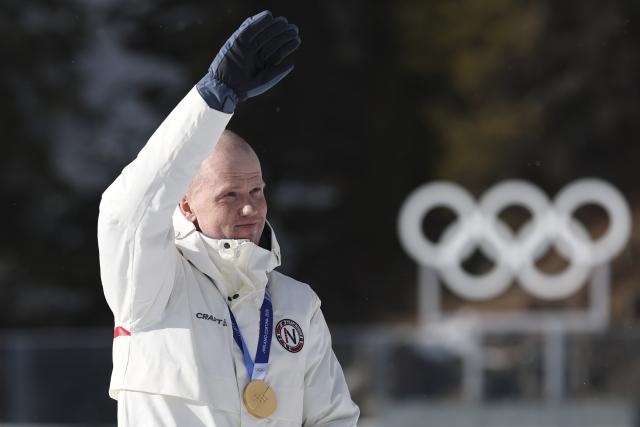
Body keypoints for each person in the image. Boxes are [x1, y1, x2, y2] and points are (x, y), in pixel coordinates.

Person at [98, 10, 360, 427]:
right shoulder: (153, 286)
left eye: (256, 191)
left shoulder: (298, 304)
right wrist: (211, 103)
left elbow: (333, 419)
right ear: (185, 206)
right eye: (229, 195)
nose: (250, 208)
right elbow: (125, 212)